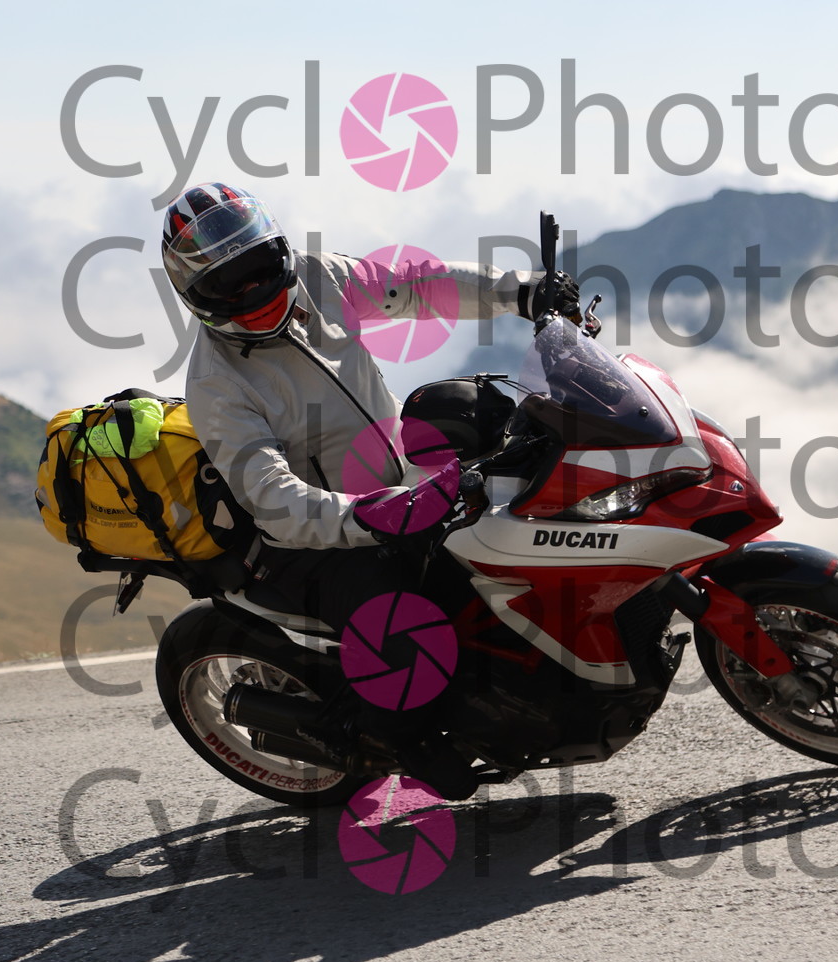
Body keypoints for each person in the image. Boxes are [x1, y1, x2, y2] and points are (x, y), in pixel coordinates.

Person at [160, 181, 580, 779]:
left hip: (399, 484)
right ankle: (406, 742)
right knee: (407, 625)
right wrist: (363, 516)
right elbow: (270, 496)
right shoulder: (216, 383)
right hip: (311, 541)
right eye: (228, 285)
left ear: (279, 251)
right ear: (195, 295)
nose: (253, 293)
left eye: (259, 268)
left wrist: (520, 292)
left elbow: (418, 285)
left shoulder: (318, 277)